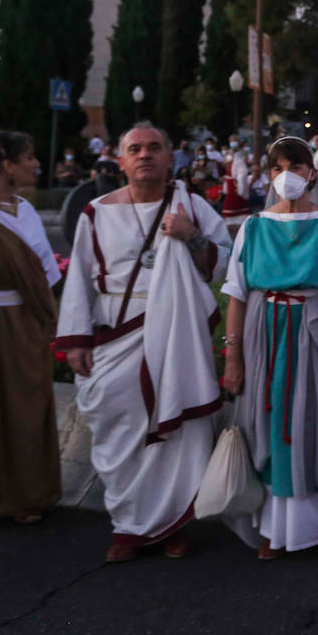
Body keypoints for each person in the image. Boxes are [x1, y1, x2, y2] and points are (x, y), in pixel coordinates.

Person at [56, 122, 232, 562]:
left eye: (155, 147)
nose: (145, 155)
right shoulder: (96, 212)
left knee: (179, 436)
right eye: (135, 148)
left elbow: (225, 263)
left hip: (175, 333)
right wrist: (76, 341)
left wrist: (190, 235)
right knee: (119, 433)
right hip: (116, 333)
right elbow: (78, 279)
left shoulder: (190, 204)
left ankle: (173, 527)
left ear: (171, 157)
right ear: (121, 161)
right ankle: (128, 526)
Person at [220, 137, 318, 560]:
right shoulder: (254, 226)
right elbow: (237, 295)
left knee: (313, 423)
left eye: (295, 166)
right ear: (268, 176)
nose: (287, 176)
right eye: (278, 168)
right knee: (267, 420)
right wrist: (234, 356)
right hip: (265, 334)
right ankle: (272, 527)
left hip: (312, 332)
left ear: (311, 172)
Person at [0, 133, 63, 526]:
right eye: (29, 157)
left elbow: (45, 272)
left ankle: (24, 495)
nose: (36, 164)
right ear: (7, 164)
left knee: (26, 410)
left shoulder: (24, 209)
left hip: (25, 324)